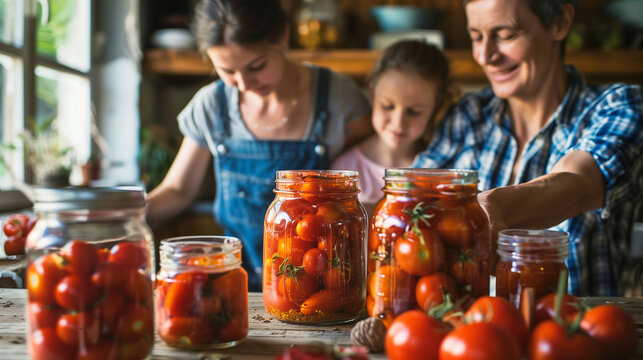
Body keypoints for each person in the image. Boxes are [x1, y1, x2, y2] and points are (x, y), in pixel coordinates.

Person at [414, 0, 643, 296]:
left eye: (506, 34)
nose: (486, 56)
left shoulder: (618, 107)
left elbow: (578, 186)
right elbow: (413, 200)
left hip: (572, 333)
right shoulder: (468, 116)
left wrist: (493, 206)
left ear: (559, 23)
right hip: (468, 333)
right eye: (476, 37)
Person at [145, 0, 371, 291]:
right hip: (234, 284)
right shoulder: (212, 104)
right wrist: (121, 217)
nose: (243, 82)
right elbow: (177, 190)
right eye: (227, 70)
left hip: (315, 287)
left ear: (282, 36)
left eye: (257, 66)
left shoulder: (340, 99)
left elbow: (367, 179)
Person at [332, 40, 450, 215]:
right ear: (373, 95)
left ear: (436, 107)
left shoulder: (441, 169)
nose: (398, 122)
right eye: (388, 106)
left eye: (414, 112)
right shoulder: (344, 170)